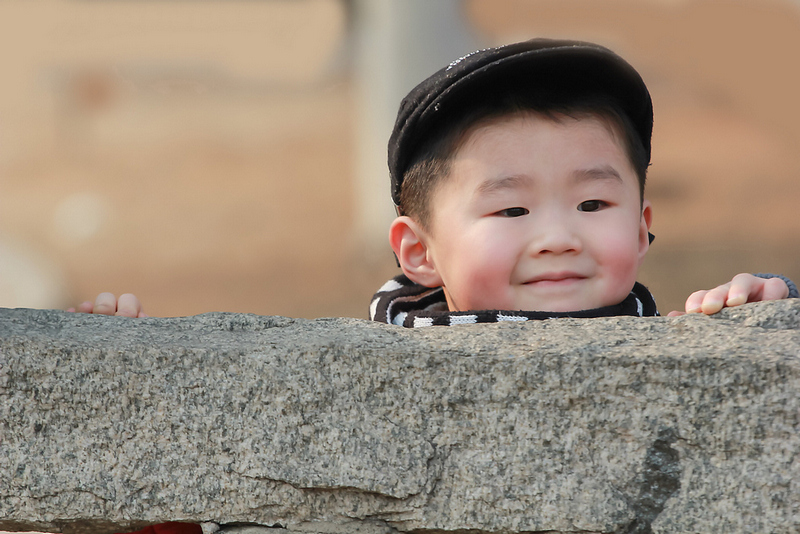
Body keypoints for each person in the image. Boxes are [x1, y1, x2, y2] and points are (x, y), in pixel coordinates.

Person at [71, 38, 797, 323]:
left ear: (642, 230)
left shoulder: (683, 344)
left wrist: (766, 308)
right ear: (418, 253)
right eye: (510, 208)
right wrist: (133, 391)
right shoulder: (358, 381)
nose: (556, 236)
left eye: (593, 202)